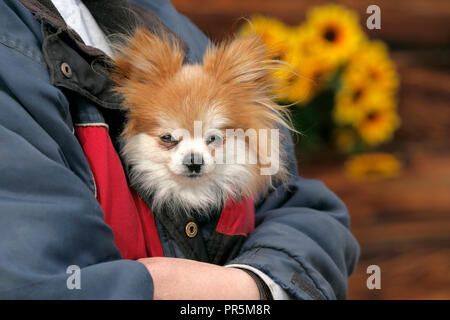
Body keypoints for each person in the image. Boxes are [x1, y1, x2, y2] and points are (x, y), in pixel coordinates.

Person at [0, 0, 360, 299]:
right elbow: (38, 281)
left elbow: (302, 209)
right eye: (169, 139)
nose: (192, 156)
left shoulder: (153, 12)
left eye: (213, 139)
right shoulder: (13, 50)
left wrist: (252, 287)